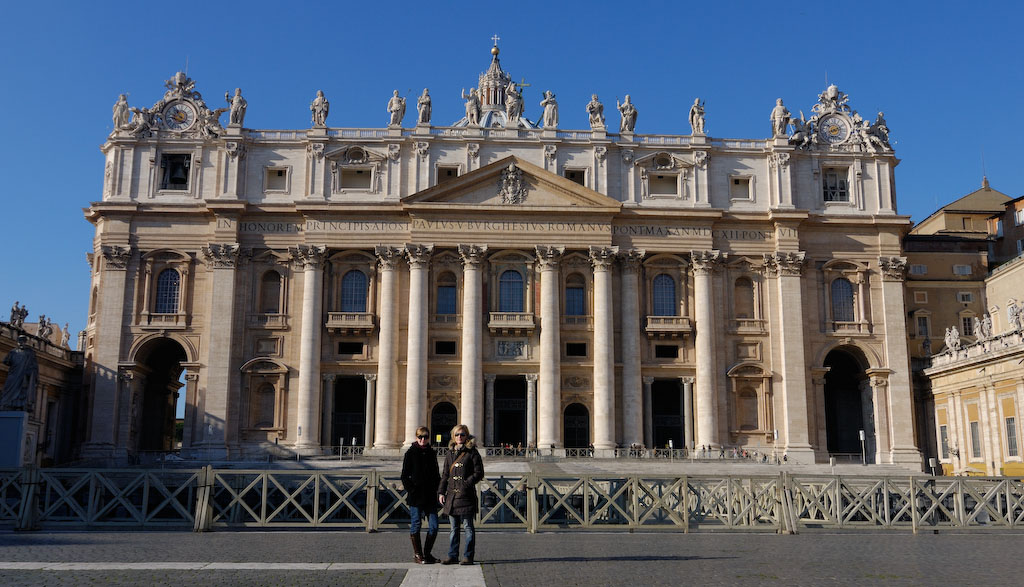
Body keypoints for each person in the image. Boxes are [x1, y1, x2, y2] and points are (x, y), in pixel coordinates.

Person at [438, 424, 484, 565]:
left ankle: (468, 556)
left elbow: (479, 473)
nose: (459, 437)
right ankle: (452, 555)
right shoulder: (450, 453)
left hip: (466, 495)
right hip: (452, 496)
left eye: (462, 434)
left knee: (468, 527)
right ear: (453, 436)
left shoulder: (472, 452)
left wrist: (465, 484)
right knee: (454, 528)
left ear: (466, 436)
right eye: (457, 434)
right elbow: (445, 474)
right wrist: (441, 491)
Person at [402, 426, 440, 564]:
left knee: (434, 526)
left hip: (430, 496)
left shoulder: (432, 453)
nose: (423, 439)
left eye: (425, 437)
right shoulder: (410, 453)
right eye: (420, 437)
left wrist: (439, 489)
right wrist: (412, 490)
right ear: (416, 437)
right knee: (416, 524)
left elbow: (436, 474)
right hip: (416, 496)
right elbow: (404, 476)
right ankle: (418, 555)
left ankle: (427, 553)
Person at [1, 335, 38, 412]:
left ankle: (18, 405)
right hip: (13, 374)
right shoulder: (13, 352)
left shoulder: (29, 353)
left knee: (22, 390)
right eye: (19, 341)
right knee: (8, 388)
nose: (21, 343)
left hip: (23, 375)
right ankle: (6, 404)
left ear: (25, 342)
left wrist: (31, 372)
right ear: (17, 342)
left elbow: (34, 365)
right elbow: (6, 361)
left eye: (23, 341)